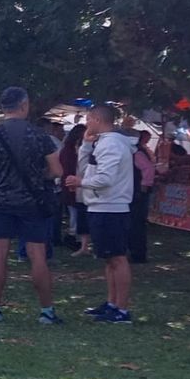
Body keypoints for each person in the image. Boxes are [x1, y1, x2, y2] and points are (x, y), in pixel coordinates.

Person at [0, 87, 64, 325]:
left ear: (3, 108)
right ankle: (46, 312)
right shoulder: (39, 135)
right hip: (32, 202)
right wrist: (41, 177)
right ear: (24, 105)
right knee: (38, 256)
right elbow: (57, 170)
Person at [67, 105, 136, 324]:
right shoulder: (102, 142)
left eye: (88, 119)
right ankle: (112, 303)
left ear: (97, 119)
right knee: (108, 258)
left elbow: (105, 179)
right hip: (100, 205)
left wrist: (81, 183)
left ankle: (122, 310)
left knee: (117, 258)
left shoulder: (112, 144)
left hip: (111, 207)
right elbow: (86, 169)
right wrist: (86, 146)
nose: (86, 123)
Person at [59, 124, 93, 256]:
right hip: (75, 186)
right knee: (77, 214)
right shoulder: (70, 151)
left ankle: (80, 241)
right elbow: (70, 169)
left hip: (79, 186)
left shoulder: (69, 150)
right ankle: (75, 238)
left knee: (78, 214)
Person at [130, 131, 155, 264]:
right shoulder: (133, 152)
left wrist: (145, 185)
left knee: (137, 224)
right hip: (133, 191)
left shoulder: (137, 153)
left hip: (138, 192)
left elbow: (148, 169)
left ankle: (138, 254)